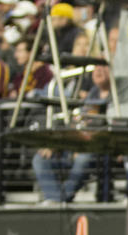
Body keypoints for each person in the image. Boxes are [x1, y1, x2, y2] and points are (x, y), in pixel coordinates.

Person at [31, 64, 112, 204]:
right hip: (74, 146)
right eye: (96, 68)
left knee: (83, 159)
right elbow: (74, 123)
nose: (98, 71)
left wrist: (83, 146)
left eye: (103, 68)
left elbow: (109, 127)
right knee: (40, 159)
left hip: (96, 148)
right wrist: (55, 144)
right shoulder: (91, 93)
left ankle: (59, 199)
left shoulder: (116, 96)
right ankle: (56, 198)